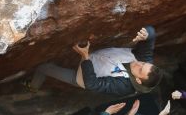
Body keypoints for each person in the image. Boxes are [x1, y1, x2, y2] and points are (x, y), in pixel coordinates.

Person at [29, 26, 163, 96]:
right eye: (144, 63)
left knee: (44, 67)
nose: (139, 63)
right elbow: (151, 35)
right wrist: (147, 33)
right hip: (94, 57)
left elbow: (92, 84)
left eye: (140, 69)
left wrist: (85, 57)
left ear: (138, 80)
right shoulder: (145, 63)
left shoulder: (123, 87)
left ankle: (33, 87)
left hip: (83, 76)